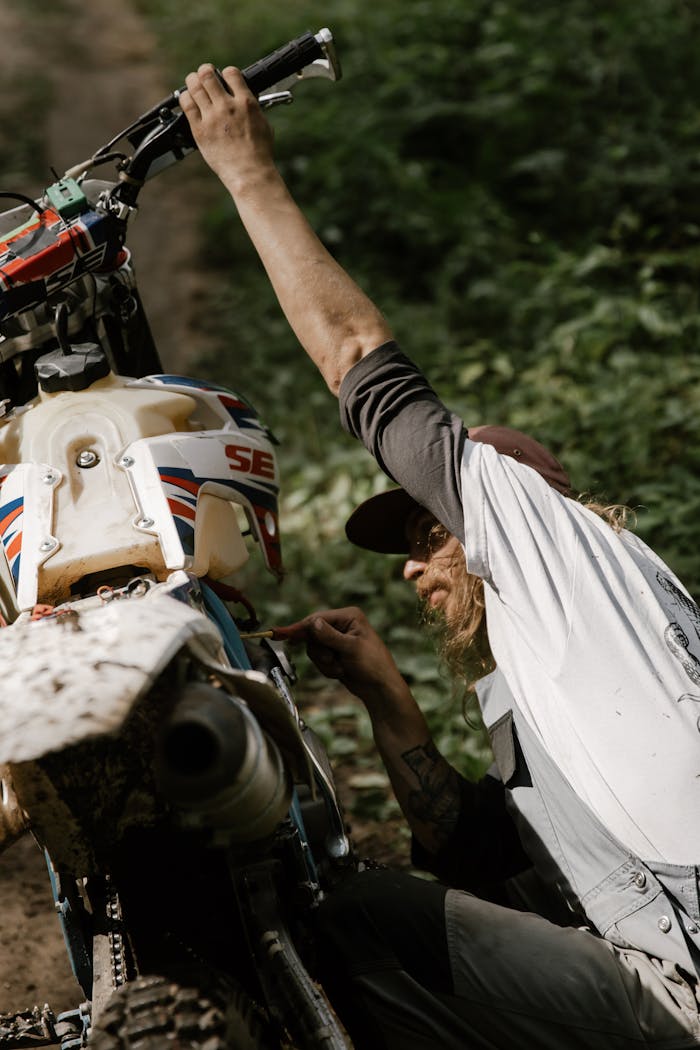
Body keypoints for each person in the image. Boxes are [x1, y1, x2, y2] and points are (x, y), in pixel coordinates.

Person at [179, 65, 700, 1048]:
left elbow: (361, 367)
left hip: (680, 978)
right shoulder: (541, 689)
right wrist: (386, 698)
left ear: (516, 502)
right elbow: (480, 862)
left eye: (429, 532)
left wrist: (247, 176)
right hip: (647, 969)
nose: (414, 568)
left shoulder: (563, 549)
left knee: (351, 923)